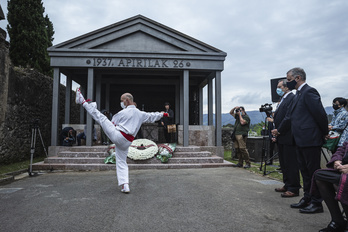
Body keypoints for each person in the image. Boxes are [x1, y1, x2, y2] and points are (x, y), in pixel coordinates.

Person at [75, 88, 168, 193]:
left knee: (102, 118)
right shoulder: (140, 114)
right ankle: (125, 185)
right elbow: (152, 116)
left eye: (122, 100)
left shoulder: (122, 113)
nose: (121, 102)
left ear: (127, 101)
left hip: (118, 136)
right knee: (121, 162)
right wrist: (162, 114)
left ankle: (83, 101)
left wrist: (111, 126)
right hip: (127, 142)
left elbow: (113, 122)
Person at [272, 67, 328, 213]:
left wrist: (324, 133)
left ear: (297, 78)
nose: (287, 82)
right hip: (299, 139)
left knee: (313, 171)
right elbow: (291, 117)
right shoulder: (298, 95)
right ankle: (307, 197)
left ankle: (317, 202)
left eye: (289, 80)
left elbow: (320, 114)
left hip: (310, 138)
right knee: (305, 172)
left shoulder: (309, 92)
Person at [272, 79, 301, 198]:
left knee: (291, 163)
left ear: (286, 87)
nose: (277, 89)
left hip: (288, 135)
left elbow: (289, 117)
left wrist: (279, 130)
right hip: (281, 136)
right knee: (283, 162)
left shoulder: (291, 98)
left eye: (279, 87)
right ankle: (287, 184)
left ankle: (294, 187)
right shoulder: (283, 99)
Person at [311, 142, 348, 232]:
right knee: (319, 175)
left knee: (341, 182)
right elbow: (341, 149)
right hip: (343, 171)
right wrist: (337, 161)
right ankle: (337, 220)